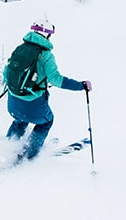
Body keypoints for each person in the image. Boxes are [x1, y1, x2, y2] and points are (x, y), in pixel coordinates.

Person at [5, 21, 92, 161]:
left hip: (13, 103)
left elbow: (7, 72)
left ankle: (7, 147)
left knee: (20, 120)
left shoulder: (20, 48)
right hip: (33, 105)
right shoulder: (46, 56)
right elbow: (56, 80)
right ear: (47, 35)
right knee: (46, 121)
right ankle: (30, 154)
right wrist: (80, 86)